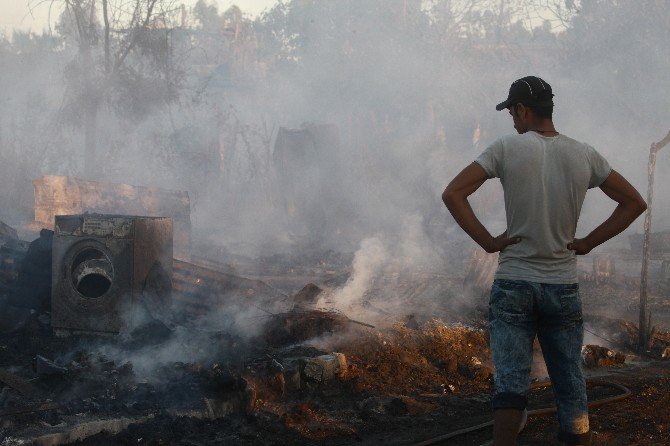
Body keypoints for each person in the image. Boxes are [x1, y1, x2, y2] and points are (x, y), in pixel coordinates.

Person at [442, 76, 647, 446]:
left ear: (522, 110)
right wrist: (587, 243)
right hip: (562, 285)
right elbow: (634, 203)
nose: (512, 121)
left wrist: (489, 242)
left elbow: (453, 193)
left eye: (512, 113)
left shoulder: (506, 148)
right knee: (569, 378)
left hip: (514, 283)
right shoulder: (584, 153)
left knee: (510, 381)